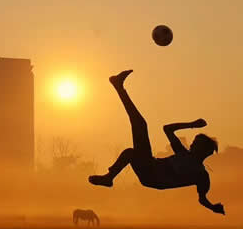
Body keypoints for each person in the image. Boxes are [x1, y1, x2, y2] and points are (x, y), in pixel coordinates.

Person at [88, 70, 225, 215]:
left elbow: (202, 198)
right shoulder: (183, 153)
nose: (191, 145)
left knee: (138, 131)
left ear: (204, 150)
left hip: (154, 176)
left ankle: (109, 178)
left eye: (195, 143)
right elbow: (167, 129)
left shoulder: (202, 175)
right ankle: (118, 86)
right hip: (150, 167)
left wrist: (213, 208)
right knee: (134, 140)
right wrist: (191, 124)